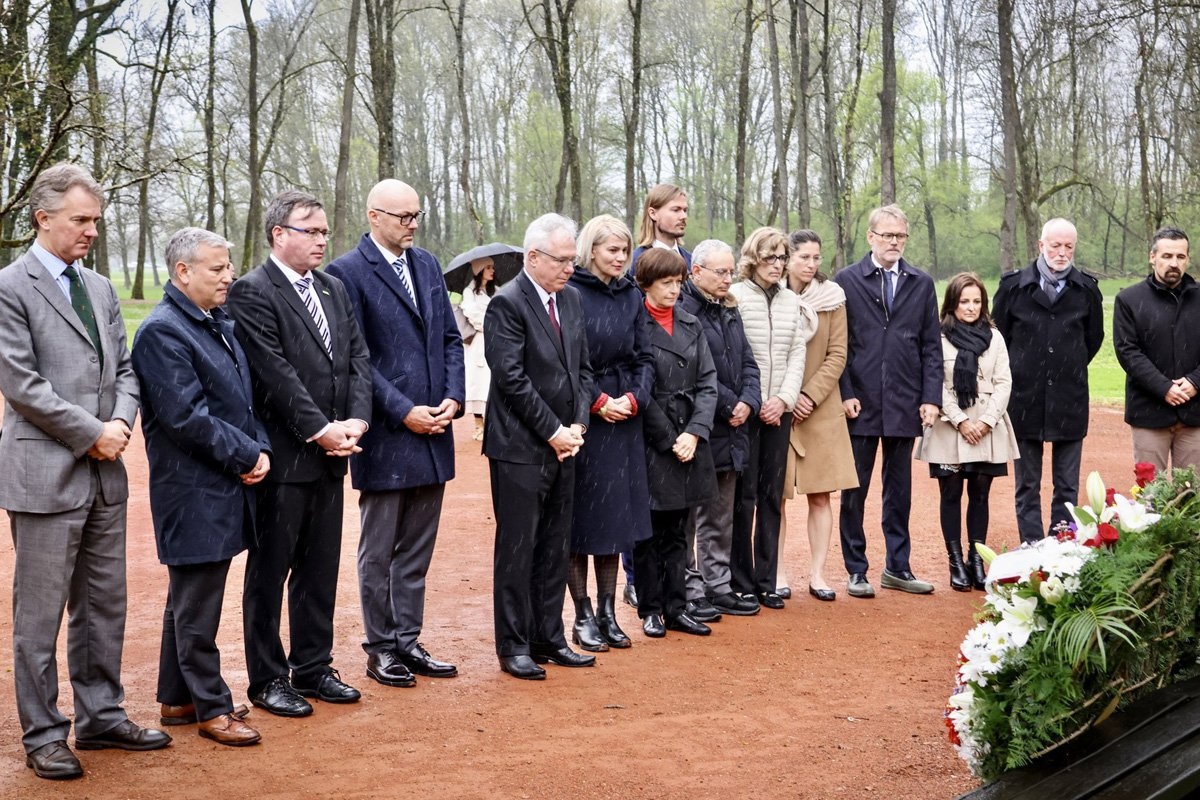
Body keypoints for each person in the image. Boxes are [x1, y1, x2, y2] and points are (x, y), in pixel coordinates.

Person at [0, 163, 170, 780]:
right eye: (80, 220)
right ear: (42, 219)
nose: (91, 231)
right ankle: (44, 733)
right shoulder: (10, 288)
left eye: (96, 220)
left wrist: (119, 424)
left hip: (106, 472)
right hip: (45, 474)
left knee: (103, 605)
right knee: (39, 615)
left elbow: (125, 370)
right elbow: (21, 384)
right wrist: (91, 432)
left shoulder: (98, 288)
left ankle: (101, 717)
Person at [226, 190, 372, 716]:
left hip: (334, 454)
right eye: (309, 229)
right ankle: (267, 678)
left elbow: (357, 357)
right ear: (278, 234)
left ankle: (313, 667)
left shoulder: (333, 288)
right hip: (284, 458)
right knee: (270, 571)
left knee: (319, 568)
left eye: (324, 231)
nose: (321, 239)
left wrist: (356, 420)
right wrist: (320, 429)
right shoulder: (252, 292)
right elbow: (273, 373)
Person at [131, 227, 268, 746]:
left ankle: (177, 698)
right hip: (191, 490)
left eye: (229, 266)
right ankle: (212, 707)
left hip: (221, 482)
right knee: (198, 605)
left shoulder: (215, 322)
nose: (229, 275)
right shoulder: (163, 332)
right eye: (218, 268)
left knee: (188, 597)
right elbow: (185, 417)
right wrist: (245, 453)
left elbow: (242, 402)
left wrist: (258, 448)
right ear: (183, 272)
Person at [326, 179, 464, 687]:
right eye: (403, 217)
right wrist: (404, 410)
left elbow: (450, 337)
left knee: (417, 548)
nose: (412, 225)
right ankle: (381, 647)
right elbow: (355, 359)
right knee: (379, 549)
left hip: (435, 429)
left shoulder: (427, 264)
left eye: (416, 216)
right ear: (373, 215)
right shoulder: (345, 273)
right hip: (386, 433)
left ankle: (409, 639)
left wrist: (453, 394)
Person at [484, 213, 596, 680]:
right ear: (533, 258)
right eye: (562, 260)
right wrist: (553, 430)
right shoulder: (506, 304)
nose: (570, 268)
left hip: (565, 444)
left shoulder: (570, 301)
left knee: (555, 545)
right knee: (518, 547)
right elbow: (511, 379)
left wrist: (578, 424)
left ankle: (549, 637)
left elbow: (584, 372)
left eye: (573, 260)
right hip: (520, 448)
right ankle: (514, 645)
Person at [833, 204, 941, 598]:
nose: (894, 242)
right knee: (855, 489)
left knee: (899, 491)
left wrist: (931, 398)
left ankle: (898, 566)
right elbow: (837, 345)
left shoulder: (921, 283)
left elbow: (931, 346)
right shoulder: (847, 280)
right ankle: (856, 569)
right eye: (887, 235)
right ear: (871, 237)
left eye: (900, 236)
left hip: (904, 401)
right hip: (860, 403)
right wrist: (845, 393)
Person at [566, 215, 654, 651]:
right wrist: (599, 402)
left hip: (625, 416)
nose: (620, 258)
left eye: (624, 250)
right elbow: (569, 361)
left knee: (615, 520)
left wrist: (634, 398)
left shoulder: (631, 295)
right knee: (582, 520)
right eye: (611, 250)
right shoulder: (572, 292)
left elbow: (644, 356)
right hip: (587, 416)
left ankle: (607, 610)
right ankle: (581, 612)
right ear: (591, 250)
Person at [993, 217, 1104, 542]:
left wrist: (1065, 367)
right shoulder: (1013, 287)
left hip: (1070, 398)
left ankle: (1060, 548)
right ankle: (1030, 546)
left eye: (1068, 246)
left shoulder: (1086, 290)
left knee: (1067, 483)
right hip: (1024, 398)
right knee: (1027, 483)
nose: (1061, 252)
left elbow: (1092, 339)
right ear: (1041, 245)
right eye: (1055, 245)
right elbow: (999, 336)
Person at [727, 227, 814, 609]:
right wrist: (756, 399)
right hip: (745, 411)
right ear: (752, 258)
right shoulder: (736, 297)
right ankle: (740, 580)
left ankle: (766, 580)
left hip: (779, 411)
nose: (777, 265)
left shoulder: (791, 300)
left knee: (771, 497)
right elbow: (734, 355)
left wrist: (783, 399)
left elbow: (798, 353)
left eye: (781, 258)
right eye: (770, 257)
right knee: (742, 499)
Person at [635, 248, 719, 637]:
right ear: (646, 284)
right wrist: (670, 438)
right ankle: (651, 608)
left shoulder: (691, 323)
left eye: (677, 283)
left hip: (689, 439)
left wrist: (694, 432)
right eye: (666, 283)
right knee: (650, 529)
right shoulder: (635, 324)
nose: (673, 290)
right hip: (652, 441)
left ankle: (677, 605)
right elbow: (638, 388)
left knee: (679, 530)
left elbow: (708, 382)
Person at [917, 273, 1018, 591]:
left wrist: (986, 421)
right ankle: (955, 560)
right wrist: (961, 420)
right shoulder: (938, 335)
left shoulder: (995, 337)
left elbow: (1004, 382)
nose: (971, 308)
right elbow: (935, 379)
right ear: (952, 303)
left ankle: (977, 560)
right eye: (964, 302)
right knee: (950, 493)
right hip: (950, 426)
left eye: (977, 301)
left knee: (980, 493)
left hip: (988, 426)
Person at [678, 240, 762, 618]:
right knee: (690, 516)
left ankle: (718, 585)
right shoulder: (683, 309)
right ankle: (690, 588)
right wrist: (731, 404)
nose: (729, 279)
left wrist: (749, 400)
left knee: (720, 513)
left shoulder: (730, 309)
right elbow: (698, 368)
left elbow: (748, 361)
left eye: (731, 272)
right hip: (700, 426)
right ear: (696, 272)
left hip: (734, 429)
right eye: (720, 272)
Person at [781, 230, 858, 602]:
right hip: (776, 407)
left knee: (822, 496)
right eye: (804, 258)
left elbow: (838, 353)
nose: (811, 265)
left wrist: (809, 396)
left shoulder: (833, 298)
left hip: (821, 406)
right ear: (788, 258)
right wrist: (786, 397)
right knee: (774, 496)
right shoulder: (770, 295)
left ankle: (818, 574)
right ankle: (776, 573)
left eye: (816, 257)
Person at [1113, 227, 1200, 473]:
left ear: (1188, 259)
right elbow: (1128, 352)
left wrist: (1195, 381)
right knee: (1150, 496)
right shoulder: (1129, 299)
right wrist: (1164, 388)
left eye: (1180, 257)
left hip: (1195, 414)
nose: (1174, 263)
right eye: (1167, 256)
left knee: (1191, 497)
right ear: (1153, 257)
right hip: (1149, 413)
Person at [461, 257, 496, 441]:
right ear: (479, 270)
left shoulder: (496, 291)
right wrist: (490, 322)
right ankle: (478, 425)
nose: (492, 271)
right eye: (488, 268)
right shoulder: (469, 293)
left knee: (492, 381)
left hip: (495, 340)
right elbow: (472, 314)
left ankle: (491, 423)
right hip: (478, 342)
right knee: (478, 381)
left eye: (492, 267)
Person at [629, 184, 692, 281]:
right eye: (676, 210)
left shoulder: (692, 261)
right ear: (653, 213)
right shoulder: (634, 262)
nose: (684, 216)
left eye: (685, 210)